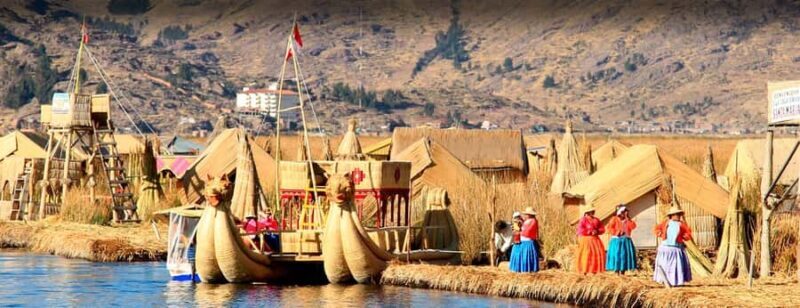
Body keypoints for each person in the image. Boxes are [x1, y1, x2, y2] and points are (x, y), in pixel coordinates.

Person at [653, 206, 693, 287]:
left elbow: (688, 233)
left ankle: (677, 282)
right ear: (671, 216)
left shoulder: (682, 224)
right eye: (676, 214)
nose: (678, 216)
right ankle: (664, 281)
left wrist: (684, 237)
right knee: (665, 265)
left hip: (676, 249)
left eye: (679, 214)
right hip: (665, 248)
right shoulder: (666, 223)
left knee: (676, 266)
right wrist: (660, 233)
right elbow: (656, 229)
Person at [605, 205, 637, 275]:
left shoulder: (627, 220)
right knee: (617, 255)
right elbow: (609, 228)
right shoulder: (614, 219)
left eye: (626, 212)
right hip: (617, 241)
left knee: (624, 256)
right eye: (623, 212)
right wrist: (617, 232)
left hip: (626, 240)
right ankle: (616, 271)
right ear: (620, 212)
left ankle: (623, 271)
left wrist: (628, 218)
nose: (625, 213)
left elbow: (633, 226)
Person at [575, 205, 605, 274]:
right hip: (586, 240)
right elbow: (580, 230)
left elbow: (602, 228)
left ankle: (594, 270)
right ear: (587, 212)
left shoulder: (596, 220)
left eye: (593, 211)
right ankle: (584, 270)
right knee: (586, 255)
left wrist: (597, 231)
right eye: (591, 211)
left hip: (595, 240)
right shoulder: (583, 220)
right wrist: (589, 232)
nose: (593, 212)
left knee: (595, 255)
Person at [509, 207, 540, 273]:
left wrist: (518, 231)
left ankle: (526, 270)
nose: (525, 215)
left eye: (526, 214)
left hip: (527, 242)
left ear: (530, 214)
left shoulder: (533, 221)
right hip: (520, 241)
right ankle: (517, 269)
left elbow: (527, 232)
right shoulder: (526, 221)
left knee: (525, 257)